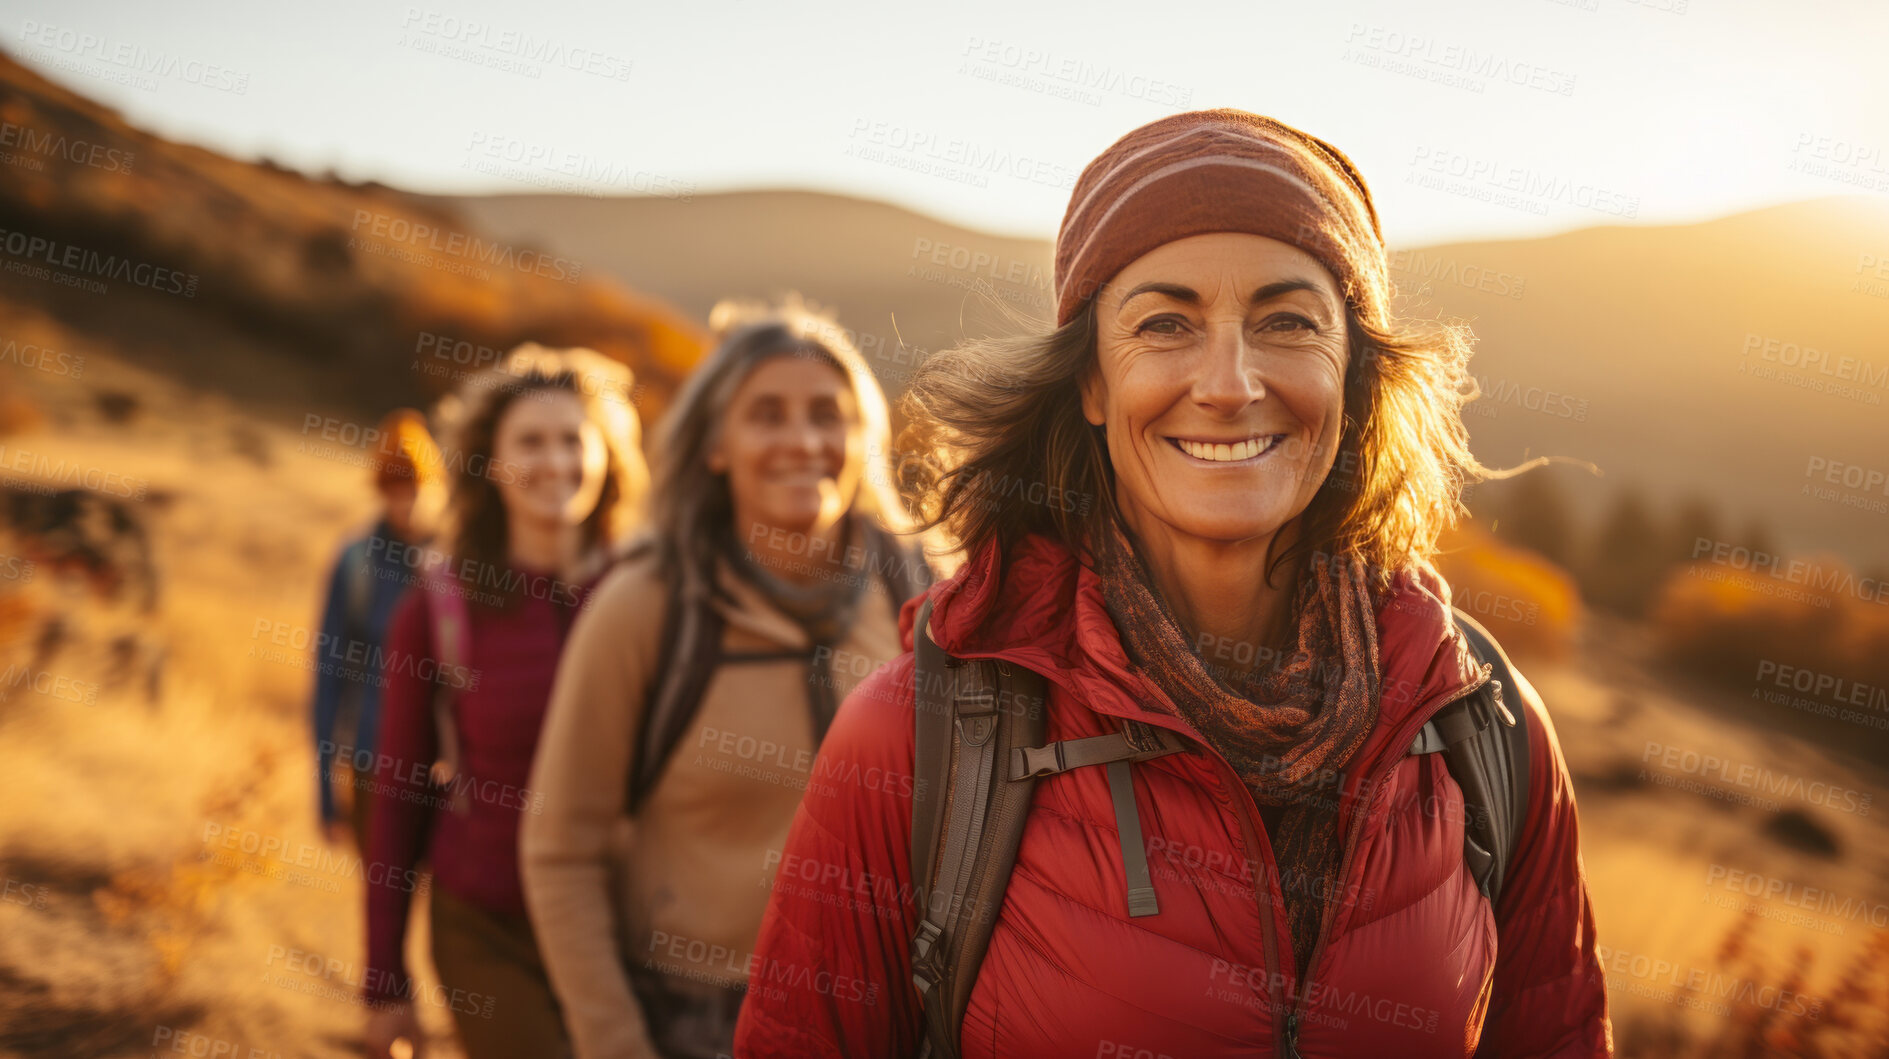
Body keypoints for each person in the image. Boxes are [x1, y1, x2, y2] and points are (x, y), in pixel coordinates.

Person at [733, 110, 1613, 1057]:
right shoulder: (919, 734)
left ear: (1355, 375)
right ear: (1092, 384)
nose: (1228, 382)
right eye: (1164, 323)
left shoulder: (1481, 721)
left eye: (1287, 321)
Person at [521, 298, 934, 1059]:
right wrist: (614, 1044)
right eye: (766, 414)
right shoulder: (644, 606)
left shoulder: (917, 589)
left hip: (889, 1014)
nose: (802, 440)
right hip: (695, 1021)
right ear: (714, 443)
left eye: (826, 415)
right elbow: (560, 850)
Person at [362, 345, 649, 1059]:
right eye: (529, 440)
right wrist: (384, 980)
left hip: (625, 924)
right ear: (489, 462)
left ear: (607, 456)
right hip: (486, 925)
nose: (554, 461)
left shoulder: (651, 596)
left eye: (571, 439)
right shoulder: (439, 604)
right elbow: (398, 788)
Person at [311, 409, 444, 849]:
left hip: (447, 772)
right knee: (383, 897)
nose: (408, 503)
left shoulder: (461, 563)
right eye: (395, 491)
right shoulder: (356, 562)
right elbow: (328, 679)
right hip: (374, 764)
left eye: (418, 488)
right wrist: (328, 794)